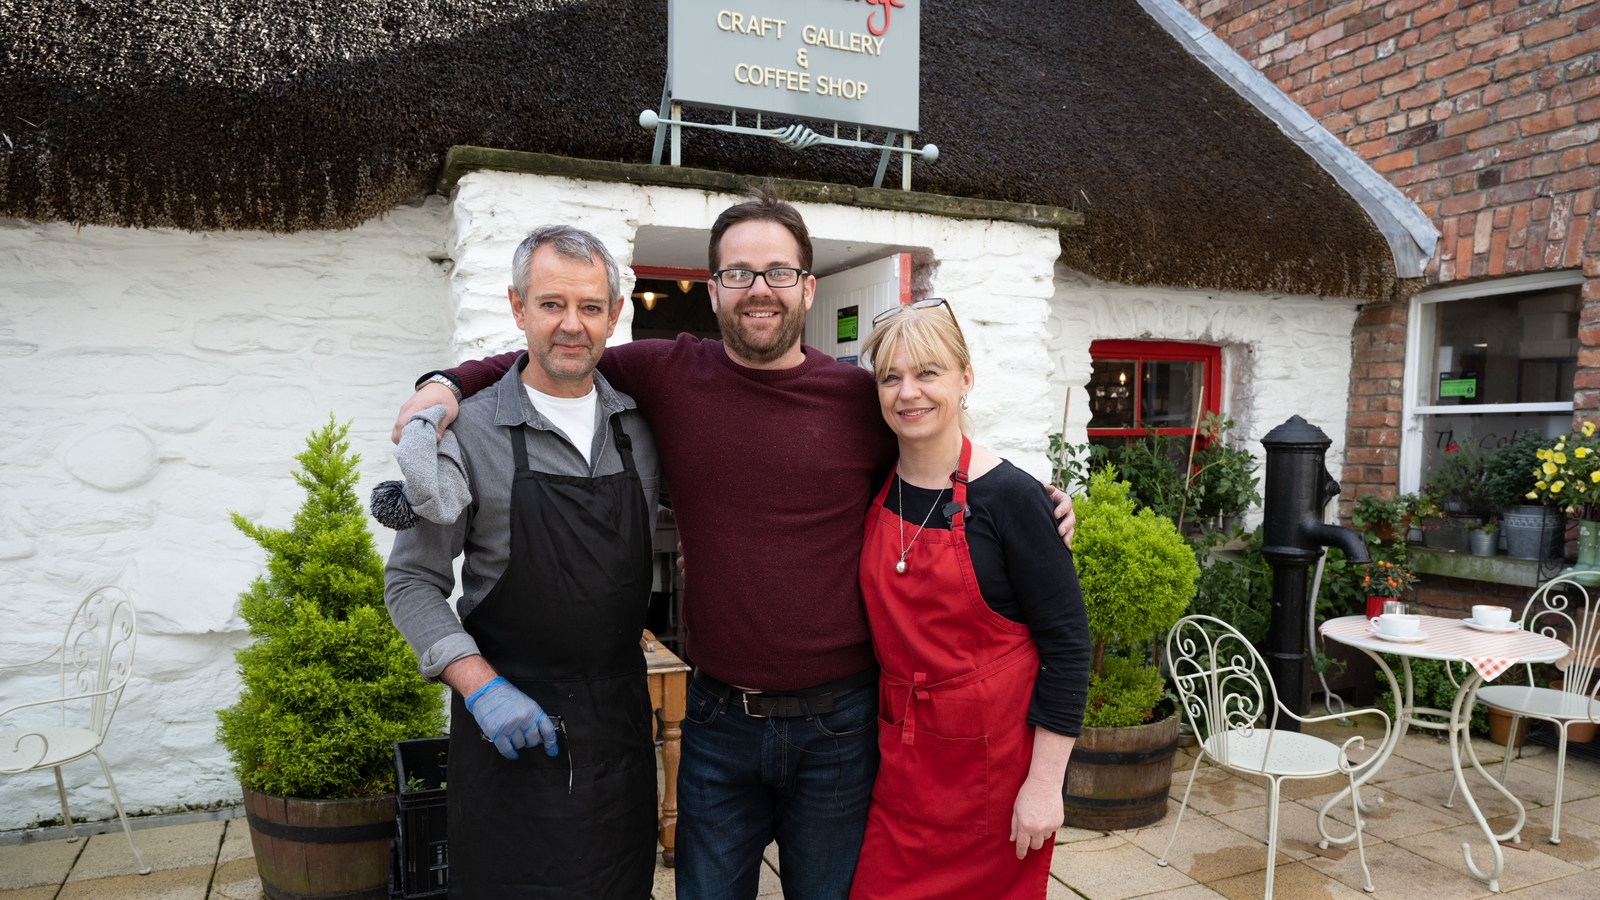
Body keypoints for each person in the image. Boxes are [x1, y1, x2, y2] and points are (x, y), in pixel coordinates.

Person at [392, 187, 1076, 900]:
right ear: (712, 289)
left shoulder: (855, 398)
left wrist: (1025, 503)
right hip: (718, 724)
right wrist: (443, 384)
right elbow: (553, 358)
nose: (760, 290)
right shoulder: (666, 374)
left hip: (838, 729)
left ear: (807, 288)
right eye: (739, 273)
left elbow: (933, 440)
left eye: (778, 272)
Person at [384, 225, 662, 899]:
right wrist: (478, 686)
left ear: (614, 316)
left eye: (591, 307)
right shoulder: (470, 432)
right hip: (509, 741)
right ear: (517, 308)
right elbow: (411, 582)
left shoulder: (644, 427)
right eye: (551, 304)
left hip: (620, 737)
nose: (573, 325)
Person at [848, 300, 1089, 900]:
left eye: (927, 372)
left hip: (995, 779)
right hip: (902, 768)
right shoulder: (869, 476)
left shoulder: (1011, 497)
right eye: (891, 377)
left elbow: (1067, 647)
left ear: (965, 379)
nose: (909, 392)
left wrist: (1045, 786)